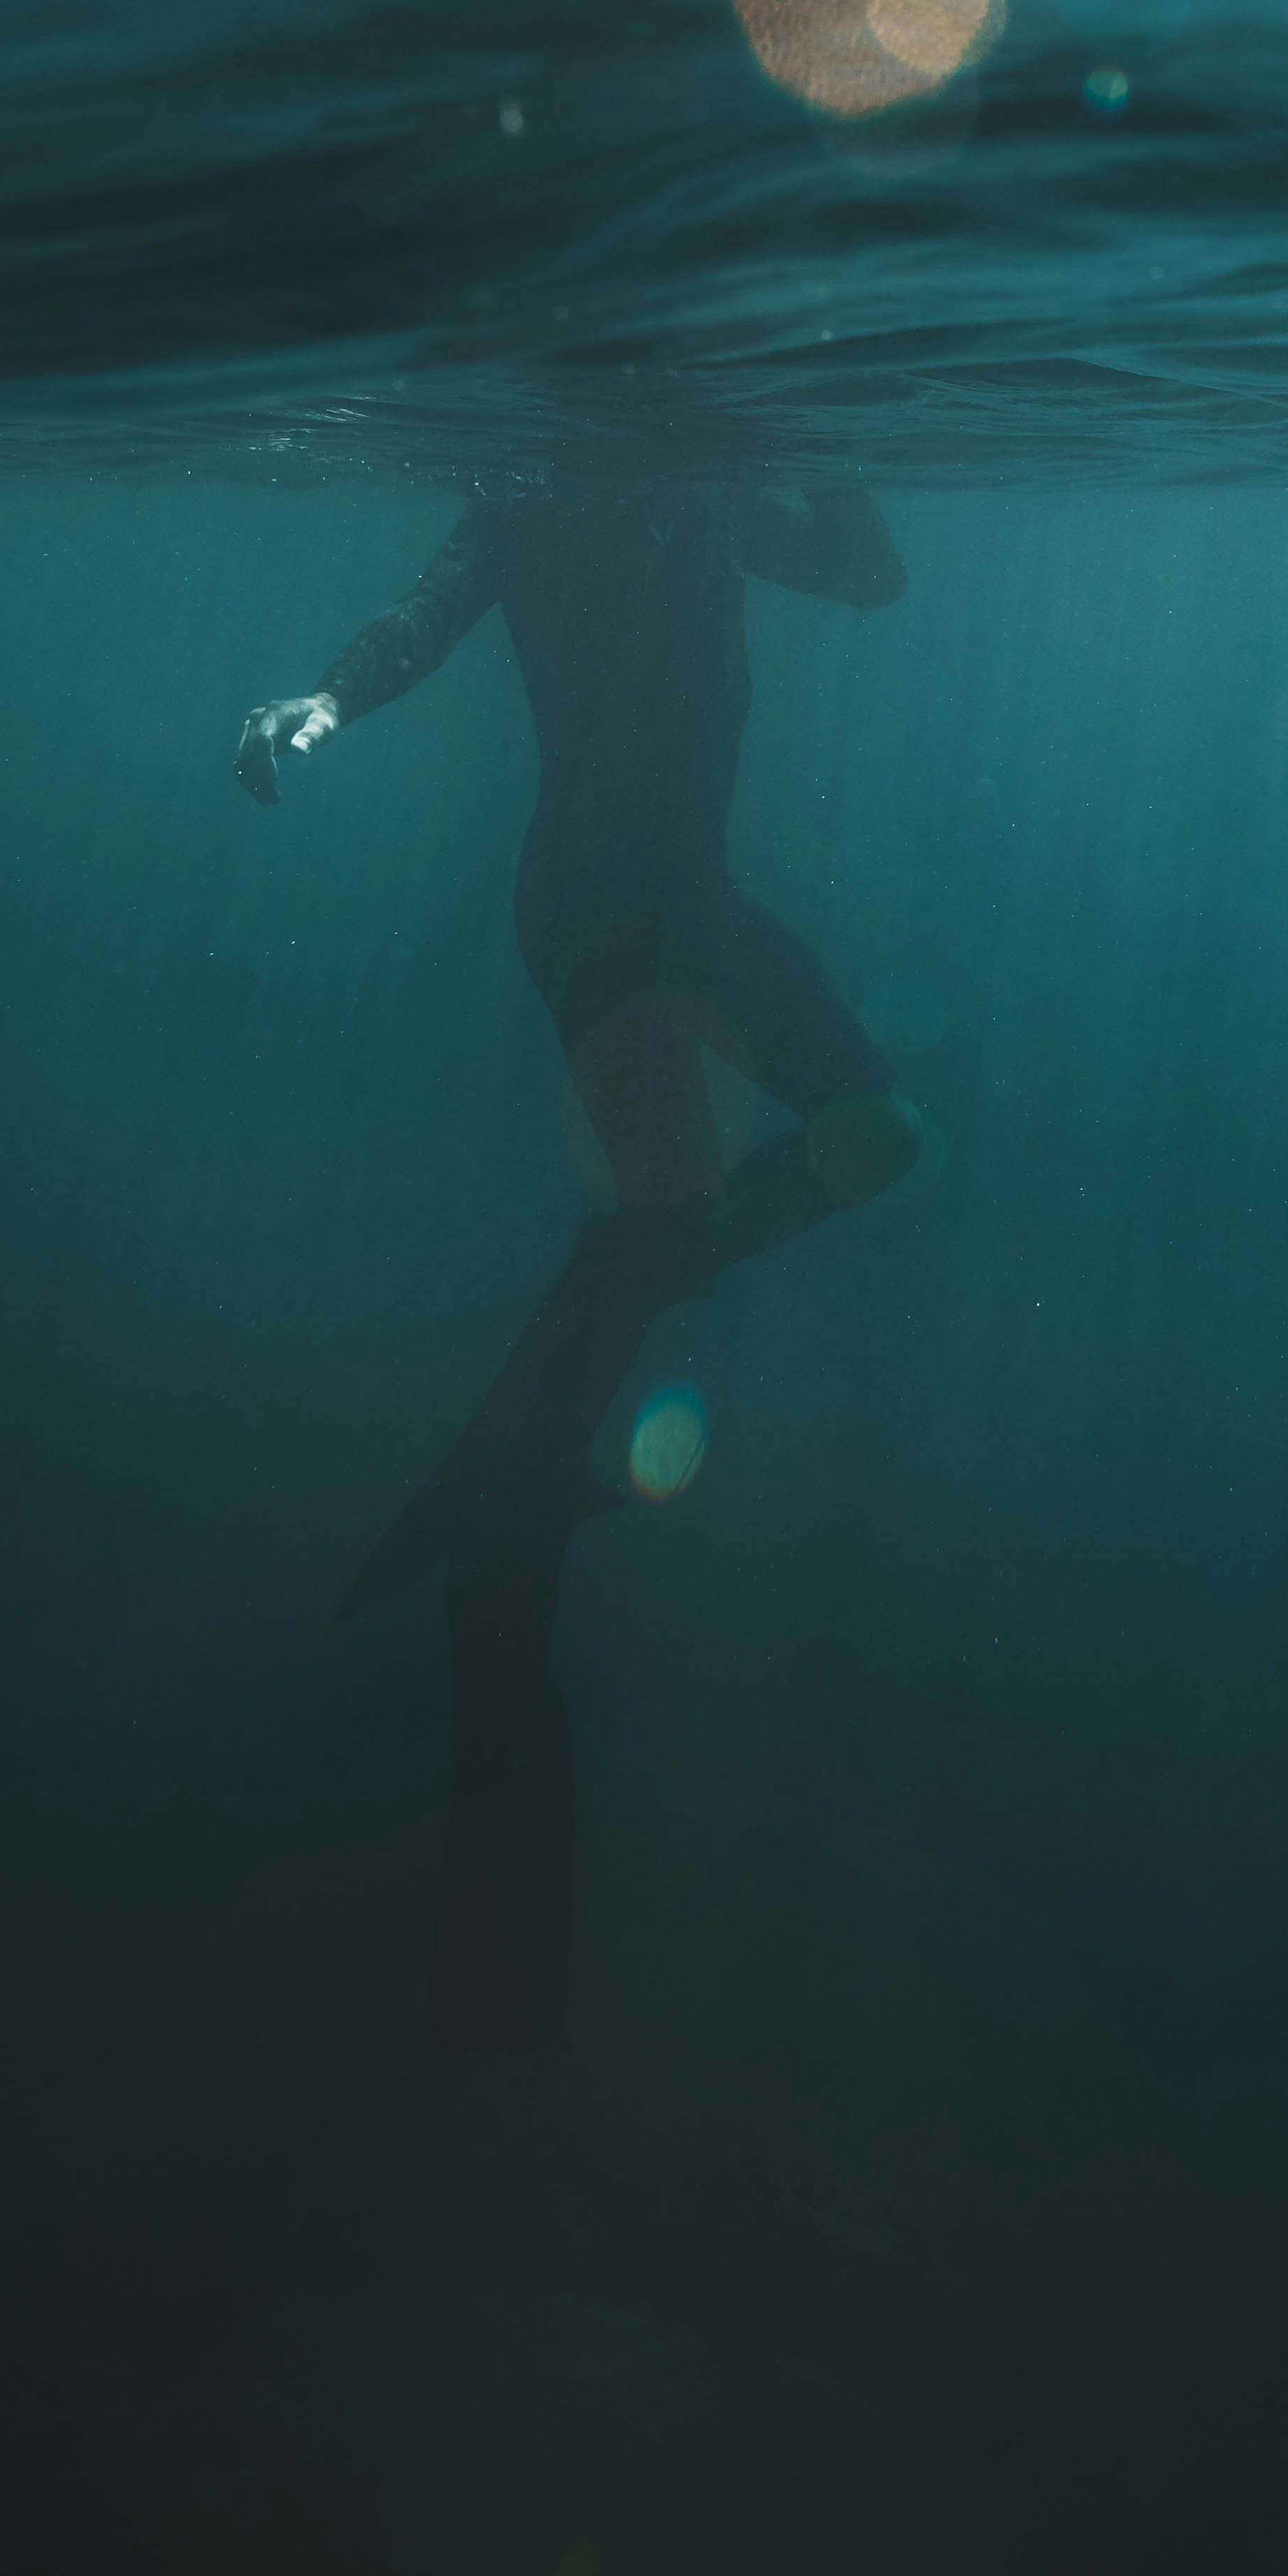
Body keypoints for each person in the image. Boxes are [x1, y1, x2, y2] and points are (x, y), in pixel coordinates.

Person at [238, 472, 921, 2051]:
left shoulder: (713, 470)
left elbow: (874, 576)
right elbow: (436, 598)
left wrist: (787, 421)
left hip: (696, 905)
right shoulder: (537, 481)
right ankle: (508, 1572)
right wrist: (325, 702)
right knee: (674, 1216)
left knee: (879, 1137)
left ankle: (515, 1468)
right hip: (604, 914)